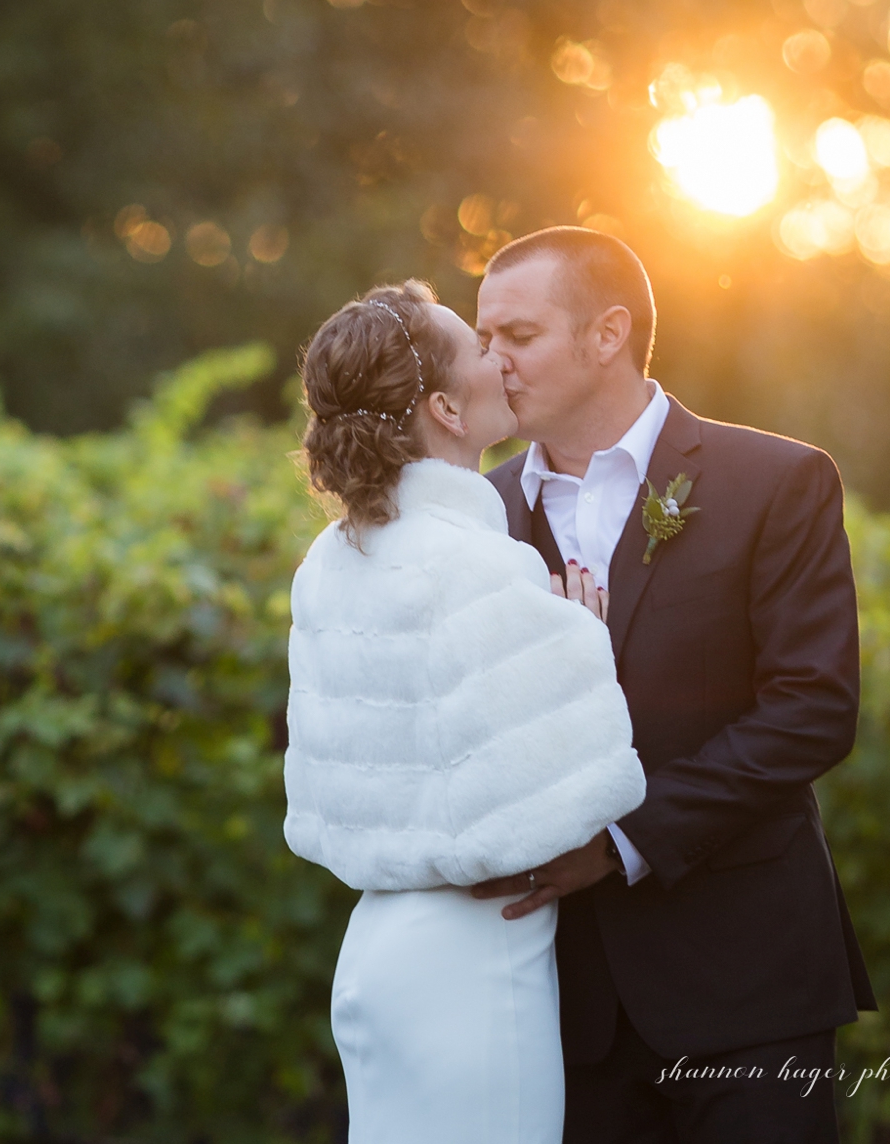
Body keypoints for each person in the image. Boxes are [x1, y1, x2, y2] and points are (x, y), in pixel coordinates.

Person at [470, 227, 878, 1142]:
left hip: (747, 984)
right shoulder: (477, 516)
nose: (491, 362)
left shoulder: (775, 482)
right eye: (484, 337)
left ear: (607, 333)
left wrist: (621, 842)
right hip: (559, 1000)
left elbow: (811, 711)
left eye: (518, 336)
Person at [281, 279, 646, 1144]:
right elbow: (571, 805)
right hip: (475, 951)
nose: (502, 358)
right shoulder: (477, 565)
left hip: (375, 948)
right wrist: (582, 645)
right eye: (479, 348)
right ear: (445, 406)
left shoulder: (329, 560)